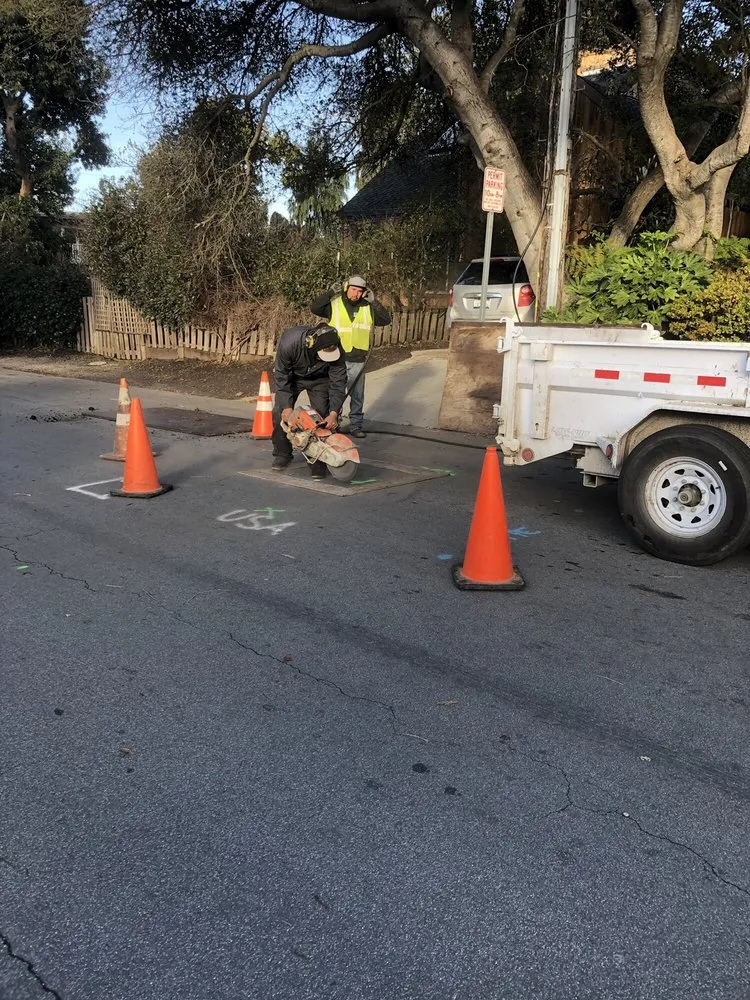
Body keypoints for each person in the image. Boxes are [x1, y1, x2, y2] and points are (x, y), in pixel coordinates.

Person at [310, 275, 391, 439]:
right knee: (335, 392)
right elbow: (315, 308)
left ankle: (356, 426)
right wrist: (329, 293)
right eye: (353, 289)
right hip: (336, 357)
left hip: (358, 358)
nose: (356, 293)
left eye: (360, 291)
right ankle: (334, 423)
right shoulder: (335, 304)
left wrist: (374, 302)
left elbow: (385, 320)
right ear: (347, 288)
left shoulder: (367, 307)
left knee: (357, 395)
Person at [271, 323, 347, 479]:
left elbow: (338, 383)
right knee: (279, 414)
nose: (323, 358)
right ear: (311, 345)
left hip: (320, 380)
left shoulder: (337, 350)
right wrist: (286, 406)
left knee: (321, 419)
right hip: (293, 377)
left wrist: (334, 413)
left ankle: (318, 462)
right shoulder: (290, 342)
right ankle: (282, 454)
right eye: (321, 354)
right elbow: (281, 375)